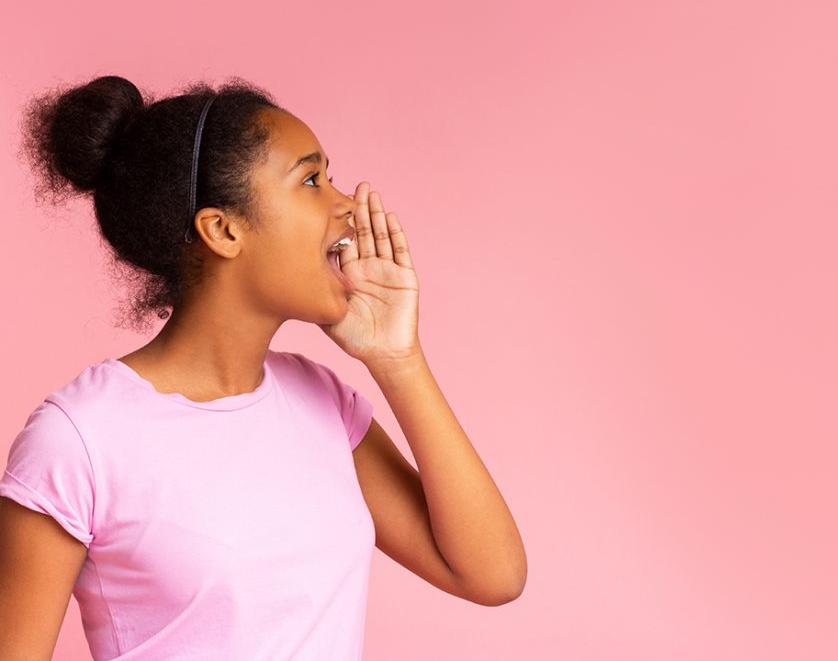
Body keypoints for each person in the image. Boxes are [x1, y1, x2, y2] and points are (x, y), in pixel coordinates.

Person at [0, 75, 527, 660]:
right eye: (310, 181)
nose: (347, 203)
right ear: (223, 230)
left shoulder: (321, 400)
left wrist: (398, 360)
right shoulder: (79, 439)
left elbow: (492, 575)